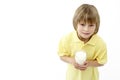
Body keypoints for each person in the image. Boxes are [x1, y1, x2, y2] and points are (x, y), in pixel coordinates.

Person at [57, 4, 107, 80]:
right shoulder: (67, 39)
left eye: (91, 25)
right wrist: (72, 60)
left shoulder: (99, 43)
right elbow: (61, 55)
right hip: (72, 77)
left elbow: (102, 61)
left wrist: (89, 63)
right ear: (76, 23)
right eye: (82, 24)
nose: (86, 29)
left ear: (96, 26)